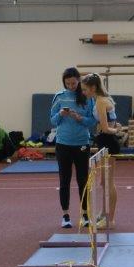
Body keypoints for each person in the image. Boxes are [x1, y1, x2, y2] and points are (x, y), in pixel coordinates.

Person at [50, 67, 97, 229]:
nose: (71, 86)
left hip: (82, 143)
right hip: (63, 144)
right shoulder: (59, 96)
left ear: (79, 81)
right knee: (64, 180)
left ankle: (85, 214)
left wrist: (80, 118)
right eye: (68, 83)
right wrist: (60, 115)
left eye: (74, 83)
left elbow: (92, 121)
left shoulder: (87, 97)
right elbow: (52, 120)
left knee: (83, 180)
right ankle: (65, 215)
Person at [81, 74, 123, 154]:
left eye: (84, 90)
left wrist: (117, 130)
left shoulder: (101, 102)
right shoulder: (102, 99)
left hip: (107, 140)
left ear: (93, 88)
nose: (83, 92)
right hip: (105, 139)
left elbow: (105, 129)